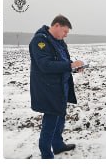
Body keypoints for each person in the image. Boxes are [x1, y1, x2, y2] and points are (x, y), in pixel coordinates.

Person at [29, 15, 85, 159]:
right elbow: (45, 65)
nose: (66, 35)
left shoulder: (59, 42)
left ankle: (58, 145)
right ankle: (47, 155)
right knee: (50, 122)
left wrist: (73, 67)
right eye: (65, 31)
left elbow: (63, 61)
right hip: (48, 89)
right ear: (57, 26)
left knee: (60, 117)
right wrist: (70, 65)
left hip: (61, 87)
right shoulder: (40, 41)